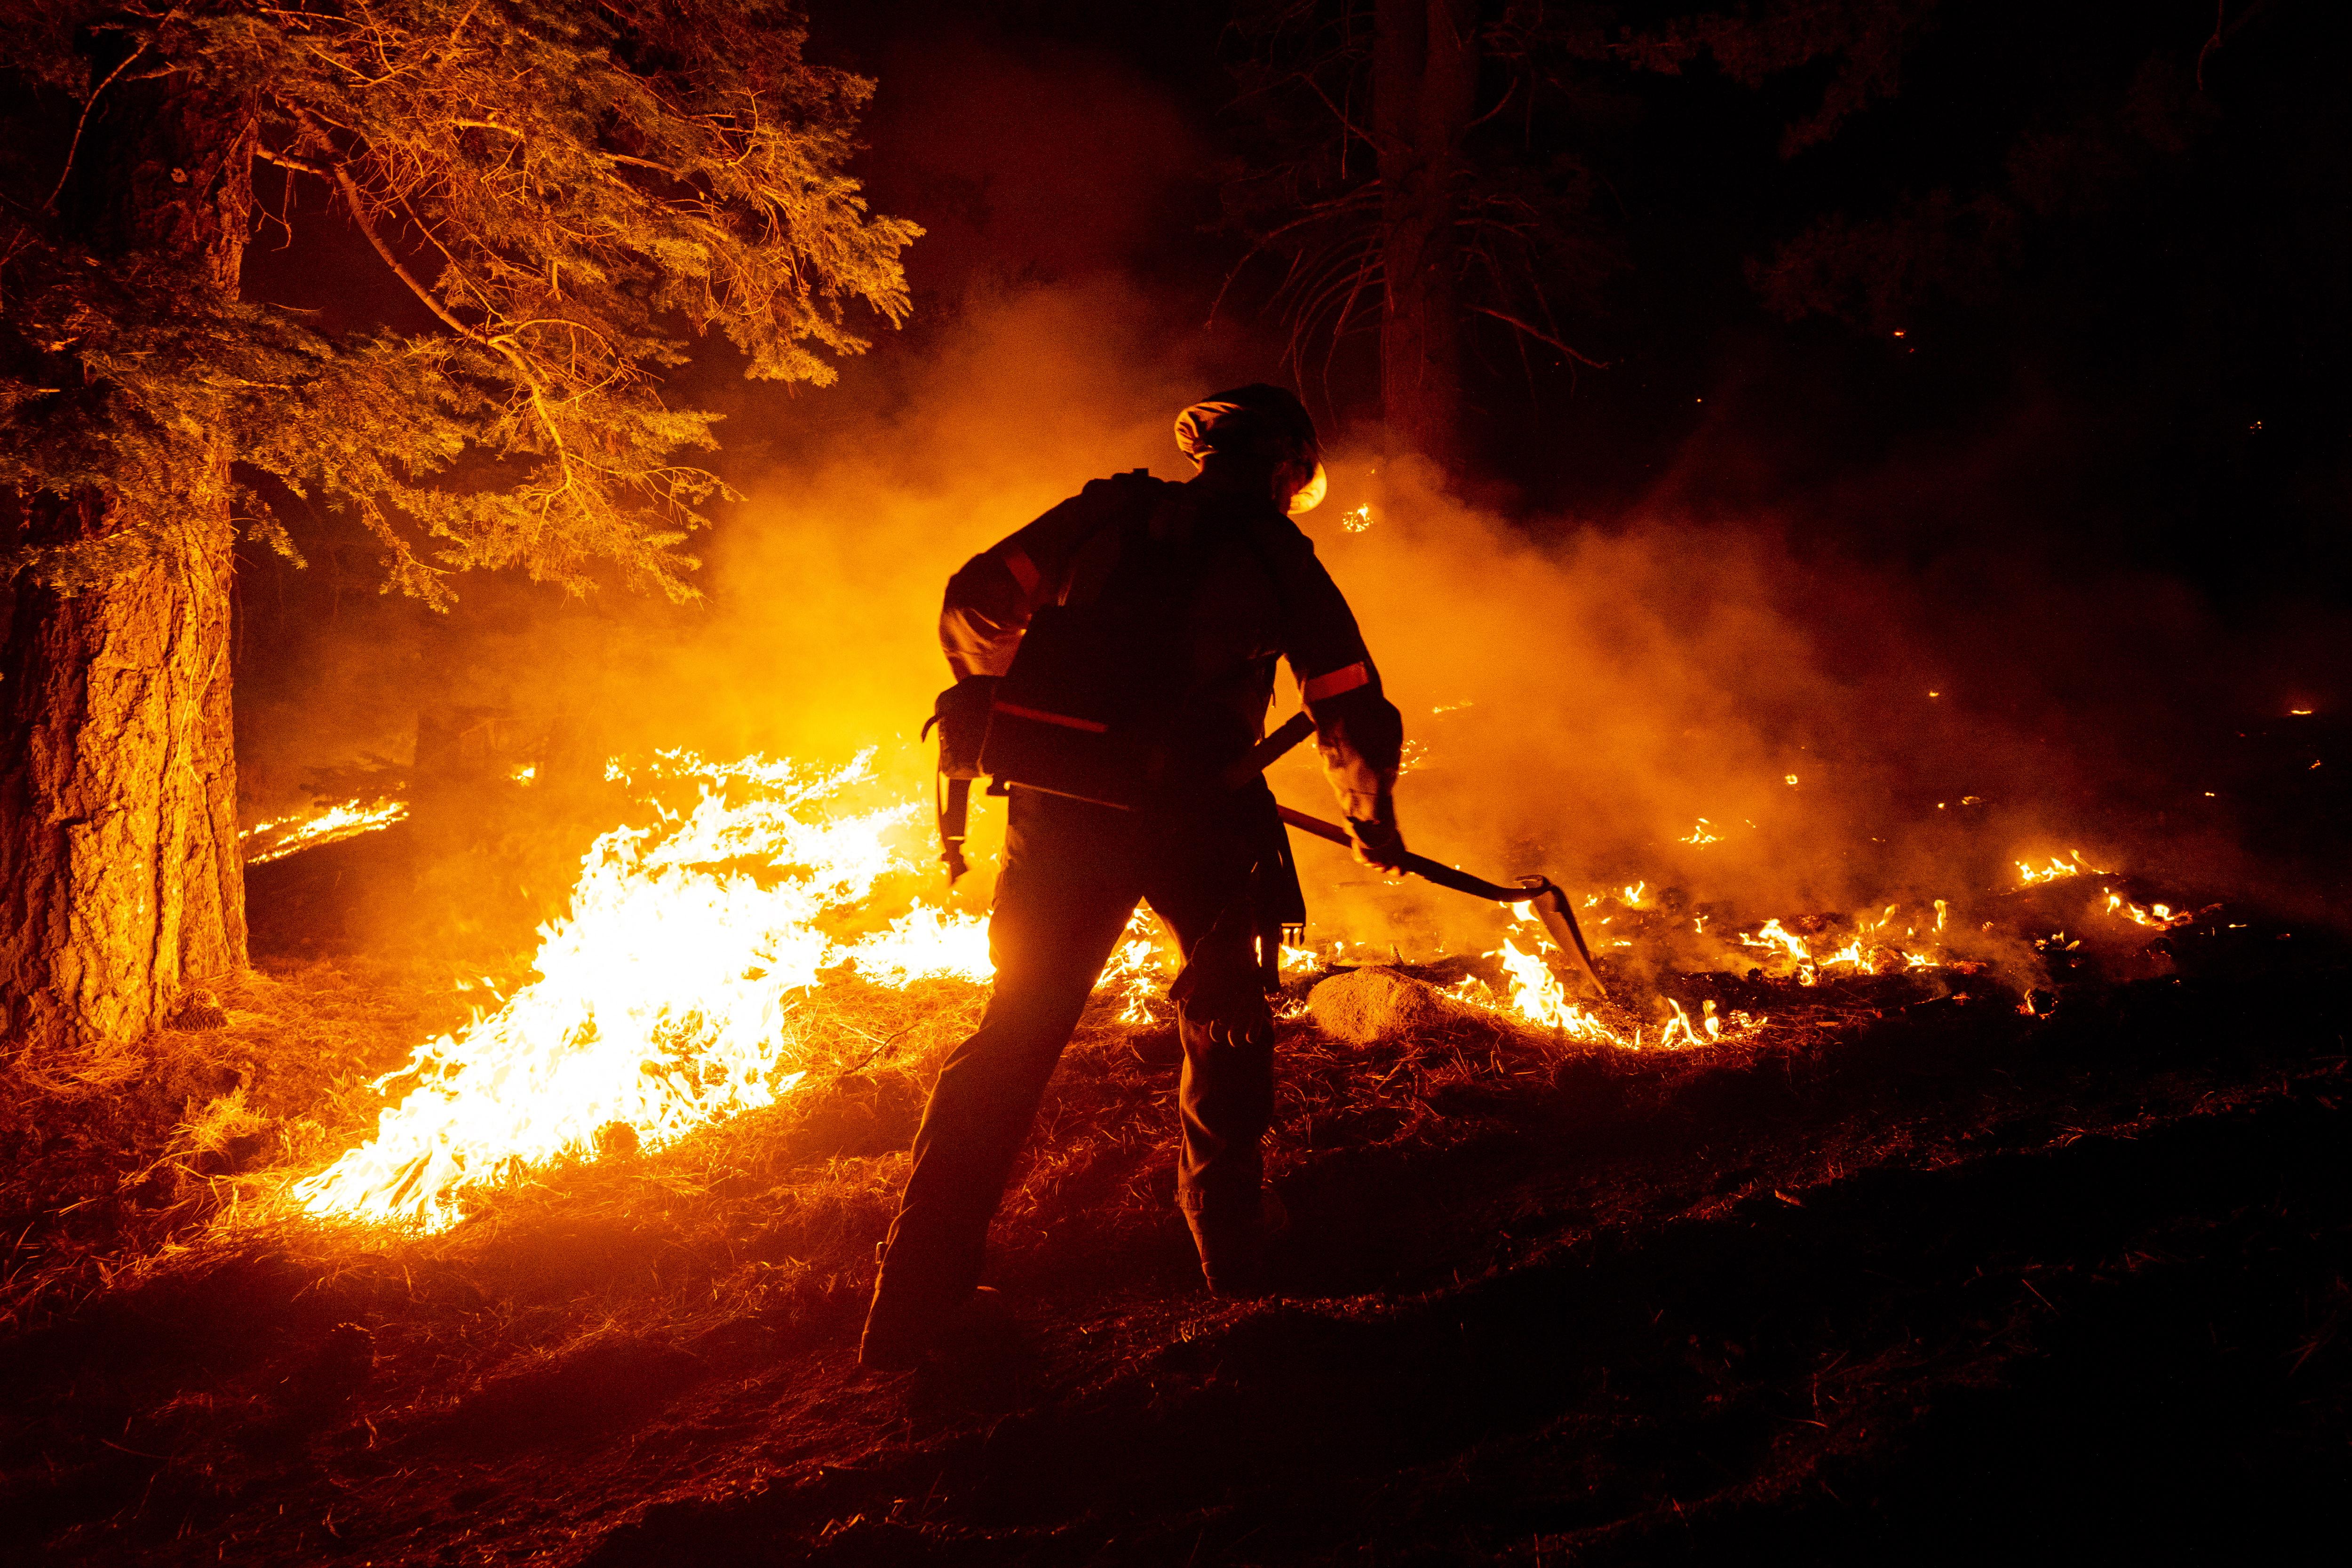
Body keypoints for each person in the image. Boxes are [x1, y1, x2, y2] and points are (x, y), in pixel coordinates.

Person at [859, 384, 1404, 1370]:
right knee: (1224, 1017)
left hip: (1058, 806)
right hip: (1196, 813)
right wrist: (1375, 822)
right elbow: (1346, 701)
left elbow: (974, 598)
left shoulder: (1106, 511)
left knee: (1016, 1027)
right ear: (1286, 470)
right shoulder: (1279, 550)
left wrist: (1018, 704)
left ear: (1205, 450)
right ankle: (1231, 1249)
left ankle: (912, 1294)